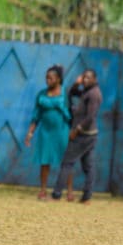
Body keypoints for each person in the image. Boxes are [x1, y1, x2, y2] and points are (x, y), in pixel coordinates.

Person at [50, 69, 102, 204]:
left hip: (83, 135)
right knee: (88, 166)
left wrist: (76, 130)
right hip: (88, 135)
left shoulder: (94, 94)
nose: (85, 80)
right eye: (84, 77)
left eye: (88, 78)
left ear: (95, 79)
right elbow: (72, 93)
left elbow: (90, 117)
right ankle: (86, 197)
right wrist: (75, 84)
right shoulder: (86, 91)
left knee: (67, 163)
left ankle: (56, 194)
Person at [24, 65, 74, 201]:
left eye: (51, 78)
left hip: (62, 132)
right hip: (46, 132)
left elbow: (72, 113)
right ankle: (43, 190)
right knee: (44, 161)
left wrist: (73, 130)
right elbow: (36, 115)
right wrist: (30, 133)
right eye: (46, 78)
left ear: (58, 79)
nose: (47, 80)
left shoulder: (65, 93)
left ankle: (69, 192)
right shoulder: (41, 94)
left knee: (66, 162)